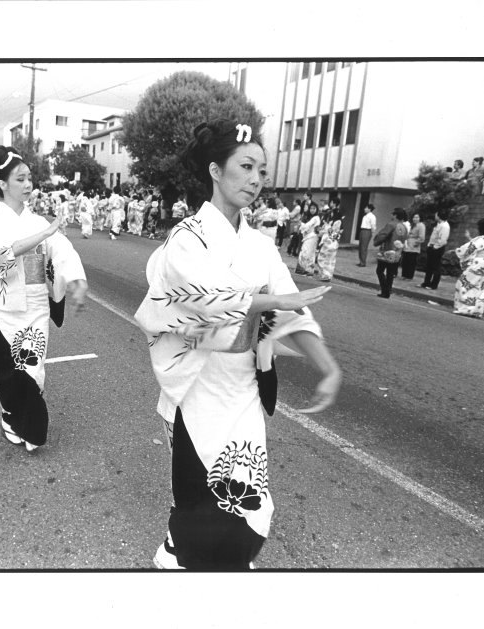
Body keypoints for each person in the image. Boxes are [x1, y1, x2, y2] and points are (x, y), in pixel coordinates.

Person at [134, 119, 340, 570]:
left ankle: (191, 549)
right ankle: (185, 551)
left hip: (243, 384)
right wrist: (266, 299)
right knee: (201, 485)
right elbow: (199, 300)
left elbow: (292, 310)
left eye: (262, 172)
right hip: (197, 383)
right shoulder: (186, 237)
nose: (255, 180)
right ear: (214, 170)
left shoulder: (260, 245)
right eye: (246, 166)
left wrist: (328, 366)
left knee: (247, 497)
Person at [0, 146, 88, 453]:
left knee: (32, 367)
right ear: (2, 184)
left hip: (35, 304)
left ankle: (31, 427)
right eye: (20, 179)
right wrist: (44, 234)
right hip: (5, 306)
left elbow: (62, 250)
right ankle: (11, 417)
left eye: (29, 178)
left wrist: (75, 278)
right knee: (8, 369)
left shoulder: (36, 221)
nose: (28, 184)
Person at [452, 218, 484, 318]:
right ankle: (477, 310)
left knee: (463, 283)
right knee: (481, 287)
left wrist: (457, 251)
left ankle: (465, 309)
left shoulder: (481, 239)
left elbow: (467, 249)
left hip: (479, 263)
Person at [373, 208, 409, 298]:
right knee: (390, 273)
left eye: (392, 214)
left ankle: (385, 289)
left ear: (395, 215)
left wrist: (376, 242)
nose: (391, 216)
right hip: (397, 252)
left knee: (379, 271)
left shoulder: (391, 224)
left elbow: (383, 235)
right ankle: (388, 291)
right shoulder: (404, 227)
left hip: (387, 251)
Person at [420, 209, 451, 290]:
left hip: (437, 248)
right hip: (432, 246)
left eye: (436, 215)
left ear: (439, 216)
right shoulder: (439, 224)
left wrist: (435, 247)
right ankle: (426, 283)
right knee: (429, 266)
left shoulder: (445, 226)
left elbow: (443, 240)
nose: (435, 216)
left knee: (436, 267)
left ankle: (433, 285)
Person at [315, 203, 343, 281]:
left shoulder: (338, 222)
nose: (330, 215)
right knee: (324, 258)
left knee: (328, 259)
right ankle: (325, 274)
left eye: (331, 213)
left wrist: (326, 229)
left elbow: (334, 232)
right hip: (329, 241)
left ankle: (327, 275)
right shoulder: (331, 222)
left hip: (332, 242)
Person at [295, 203, 320, 275]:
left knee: (306, 251)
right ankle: (308, 269)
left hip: (312, 236)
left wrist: (301, 224)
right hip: (309, 236)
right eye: (311, 208)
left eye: (314, 209)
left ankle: (304, 269)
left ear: (316, 209)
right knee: (309, 253)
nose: (312, 210)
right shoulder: (310, 217)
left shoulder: (316, 218)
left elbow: (307, 226)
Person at [400, 212, 426, 280]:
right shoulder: (412, 225)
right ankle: (404, 275)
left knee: (411, 261)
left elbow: (422, 237)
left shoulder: (421, 225)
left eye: (417, 217)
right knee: (405, 261)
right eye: (414, 217)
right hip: (407, 245)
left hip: (413, 246)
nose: (415, 219)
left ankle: (409, 276)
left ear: (420, 218)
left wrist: (416, 243)